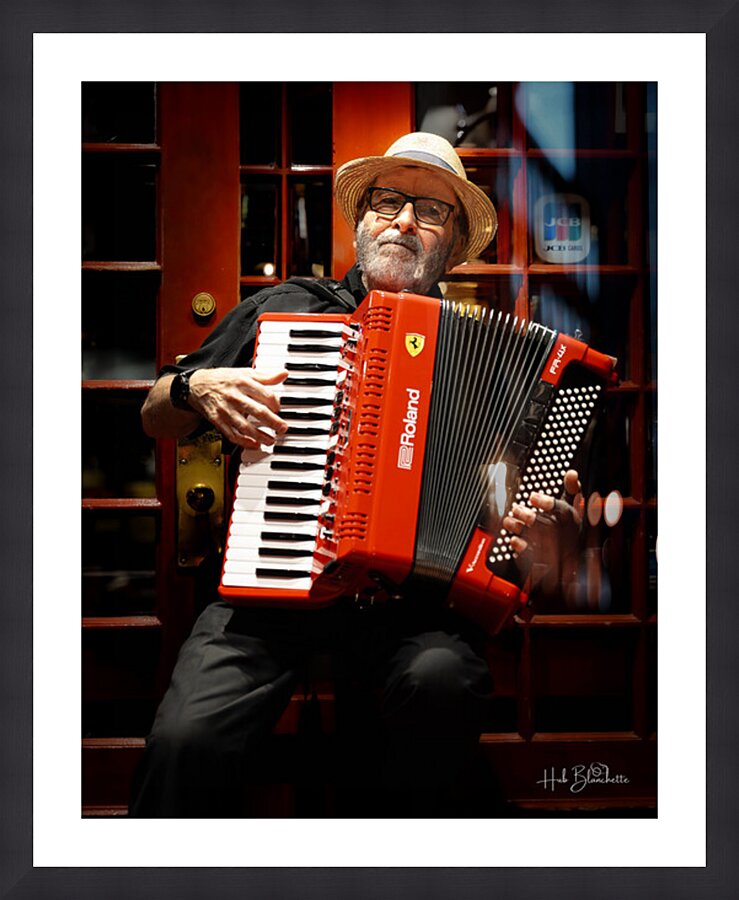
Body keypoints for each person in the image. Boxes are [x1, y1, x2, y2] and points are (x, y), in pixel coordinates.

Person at [129, 132, 581, 818]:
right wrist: (196, 389)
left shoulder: (497, 356)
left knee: (442, 684)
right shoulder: (289, 308)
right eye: (388, 200)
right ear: (362, 217)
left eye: (431, 210)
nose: (404, 221)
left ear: (455, 244)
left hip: (412, 608)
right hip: (275, 588)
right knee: (185, 739)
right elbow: (155, 413)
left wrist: (538, 532)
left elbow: (505, 514)